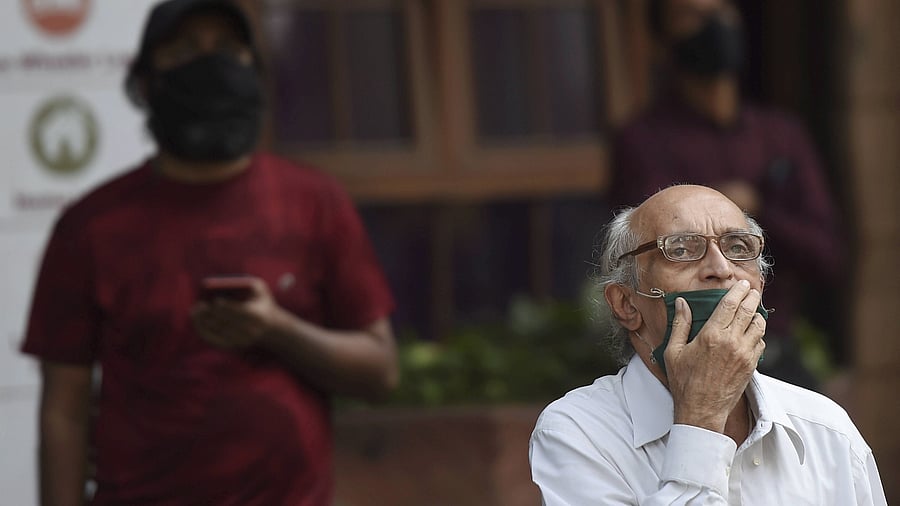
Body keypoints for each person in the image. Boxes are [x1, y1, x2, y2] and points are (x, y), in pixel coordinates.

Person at [21, 1, 398, 505]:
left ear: (255, 72)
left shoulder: (315, 203)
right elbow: (63, 411)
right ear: (145, 83)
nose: (210, 65)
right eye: (184, 51)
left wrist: (277, 330)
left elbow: (380, 371)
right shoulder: (91, 226)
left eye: (227, 50)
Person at [529, 184, 886, 505]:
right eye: (681, 249)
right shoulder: (578, 433)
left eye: (738, 247)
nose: (721, 268)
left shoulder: (826, 430)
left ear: (759, 286)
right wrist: (700, 420)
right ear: (626, 304)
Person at [610, 0, 844, 389]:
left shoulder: (780, 134)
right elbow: (640, 249)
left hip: (776, 355)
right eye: (693, 16)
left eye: (721, 12)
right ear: (661, 41)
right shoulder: (644, 141)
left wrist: (756, 213)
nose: (713, 25)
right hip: (677, 359)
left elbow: (827, 255)